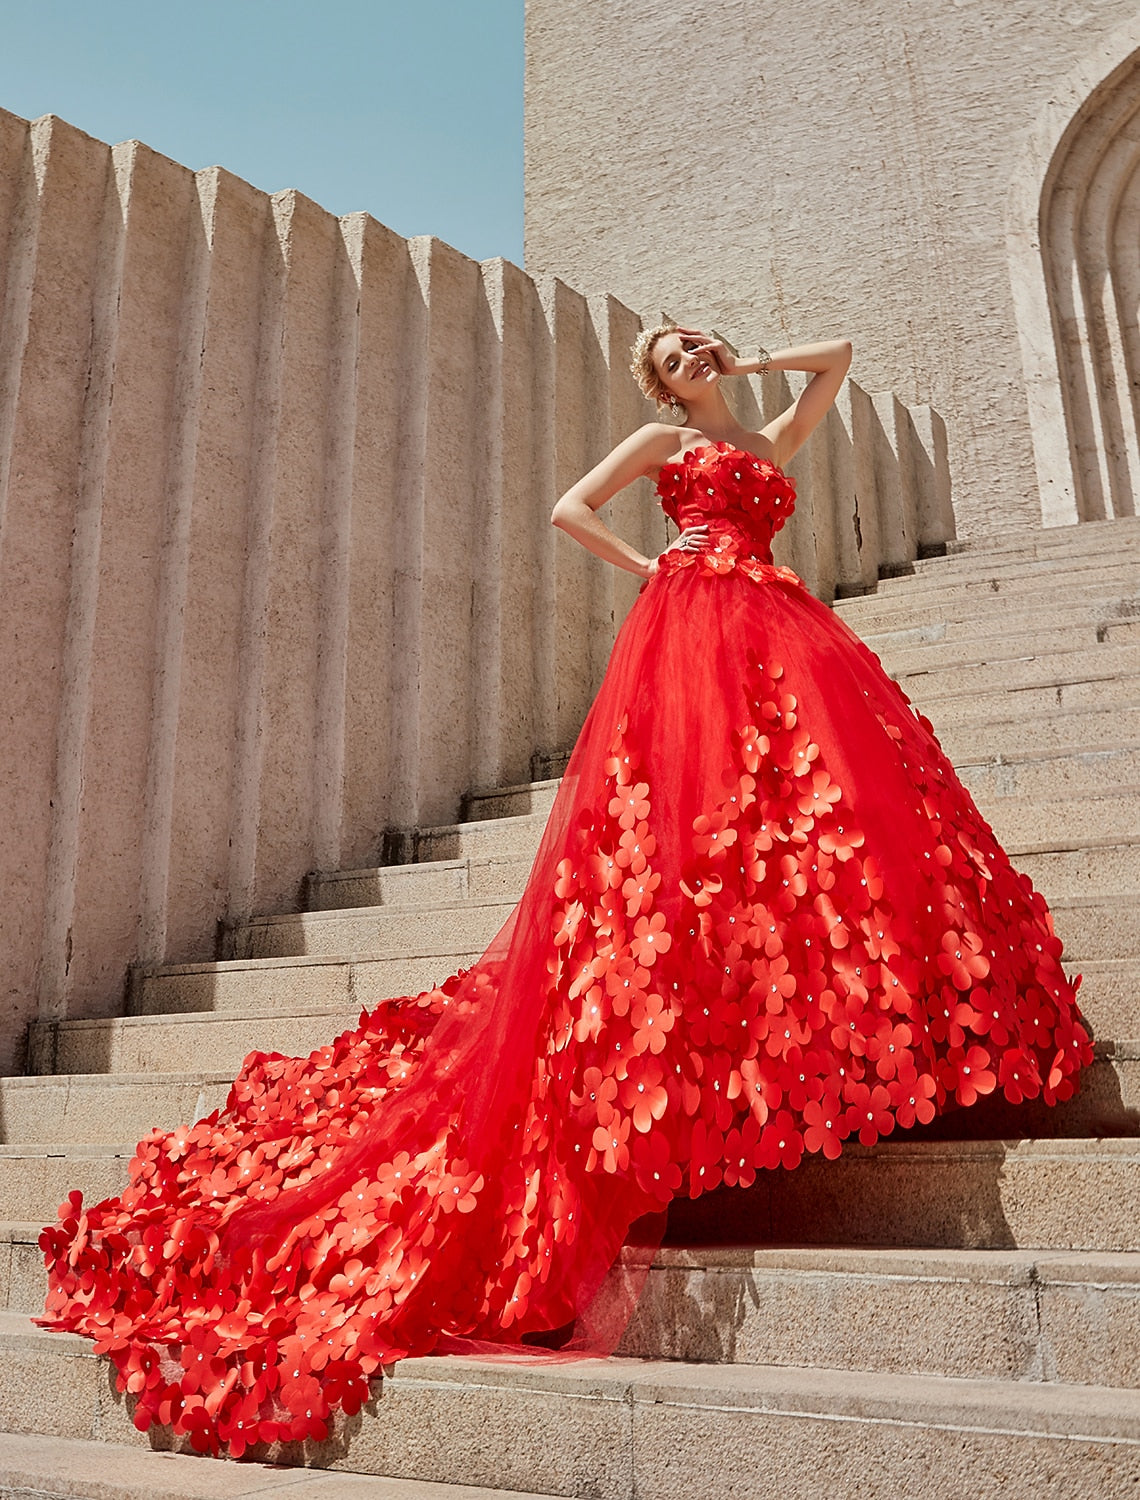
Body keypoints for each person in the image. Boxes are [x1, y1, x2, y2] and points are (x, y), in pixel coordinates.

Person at [38, 321, 1093, 1458]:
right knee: (694, 813)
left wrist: (745, 365)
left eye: (694, 347)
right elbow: (568, 509)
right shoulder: (663, 441)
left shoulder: (769, 441)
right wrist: (657, 565)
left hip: (778, 620)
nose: (688, 361)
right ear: (659, 386)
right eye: (672, 359)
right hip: (695, 620)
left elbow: (836, 358)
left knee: (814, 800)